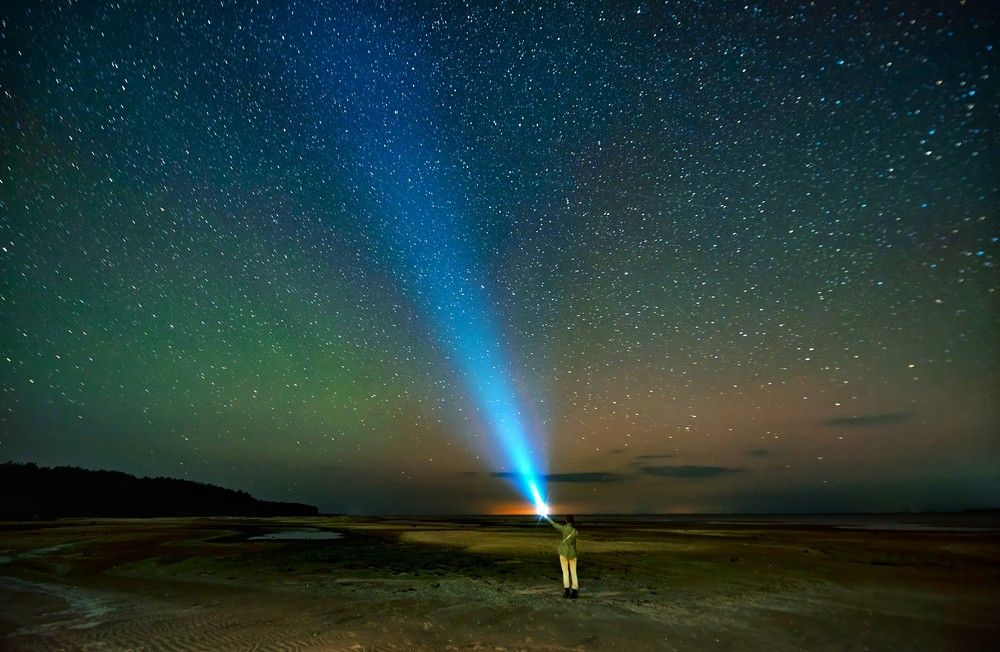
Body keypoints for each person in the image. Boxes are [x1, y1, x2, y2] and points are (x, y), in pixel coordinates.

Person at [543, 514, 579, 598]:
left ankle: (566, 591)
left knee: (565, 572)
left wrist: (546, 517)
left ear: (566, 521)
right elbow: (574, 544)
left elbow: (554, 524)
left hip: (563, 553)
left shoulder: (563, 529)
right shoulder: (576, 532)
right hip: (573, 553)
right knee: (574, 572)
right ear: (572, 522)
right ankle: (574, 591)